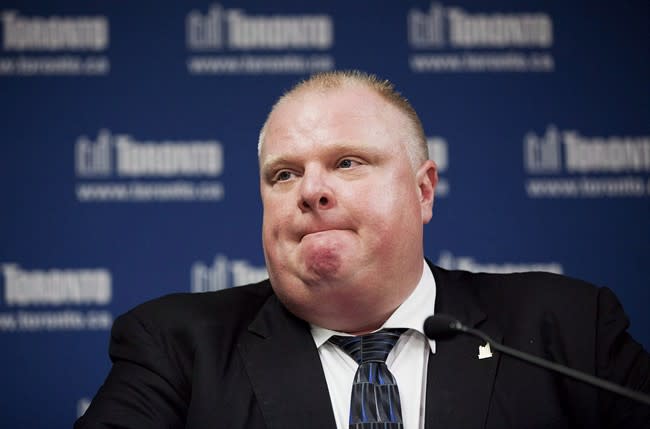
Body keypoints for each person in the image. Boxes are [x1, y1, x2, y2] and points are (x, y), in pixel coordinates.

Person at [75, 70, 649, 428]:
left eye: (347, 163)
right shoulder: (177, 349)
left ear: (423, 190)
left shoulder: (569, 331)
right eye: (283, 174)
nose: (311, 190)